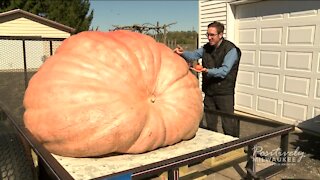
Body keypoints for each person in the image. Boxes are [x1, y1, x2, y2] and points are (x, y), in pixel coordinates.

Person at [173, 21, 241, 137]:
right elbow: (194, 55)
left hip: (224, 93)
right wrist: (182, 53)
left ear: (220, 35)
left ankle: (233, 146)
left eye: (212, 35)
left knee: (228, 124)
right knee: (210, 124)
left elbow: (224, 71)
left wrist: (207, 71)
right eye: (207, 34)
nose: (209, 38)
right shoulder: (206, 48)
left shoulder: (231, 50)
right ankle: (212, 149)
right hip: (209, 91)